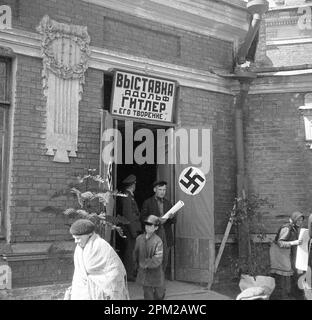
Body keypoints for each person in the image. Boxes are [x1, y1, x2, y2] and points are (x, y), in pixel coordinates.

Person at [65, 219, 129, 300]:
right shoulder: (79, 248)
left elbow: (115, 271)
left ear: (89, 235)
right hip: (81, 292)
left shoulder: (101, 246)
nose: (75, 241)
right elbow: (78, 274)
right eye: (74, 238)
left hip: (101, 294)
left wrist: (103, 288)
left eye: (78, 238)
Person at [141, 180, 176, 274]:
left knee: (164, 258)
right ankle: (152, 280)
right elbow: (143, 219)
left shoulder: (168, 203)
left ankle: (160, 280)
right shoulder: (148, 203)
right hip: (154, 234)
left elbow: (174, 221)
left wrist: (172, 217)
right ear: (154, 190)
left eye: (164, 190)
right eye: (160, 189)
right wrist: (156, 220)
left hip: (166, 234)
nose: (162, 192)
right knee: (153, 258)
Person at [269, 211, 304, 300]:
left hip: (286, 253)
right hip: (279, 253)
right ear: (293, 219)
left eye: (301, 220)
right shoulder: (287, 228)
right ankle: (281, 296)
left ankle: (287, 295)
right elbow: (280, 243)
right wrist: (294, 242)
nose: (300, 222)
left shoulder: (295, 228)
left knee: (289, 274)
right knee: (283, 276)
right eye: (298, 220)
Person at [133, 214, 165, 300]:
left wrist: (145, 263)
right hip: (144, 272)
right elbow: (135, 253)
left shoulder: (158, 241)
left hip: (156, 272)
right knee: (148, 294)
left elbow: (158, 258)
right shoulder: (139, 239)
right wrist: (136, 266)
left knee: (159, 294)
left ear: (156, 228)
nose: (147, 227)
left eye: (150, 225)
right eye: (146, 225)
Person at [116, 174, 142, 281]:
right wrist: (133, 231)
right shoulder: (127, 197)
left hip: (132, 228)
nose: (135, 186)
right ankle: (129, 274)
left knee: (131, 251)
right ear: (132, 185)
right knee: (130, 252)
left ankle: (131, 272)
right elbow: (128, 215)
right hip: (130, 229)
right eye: (134, 184)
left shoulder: (129, 196)